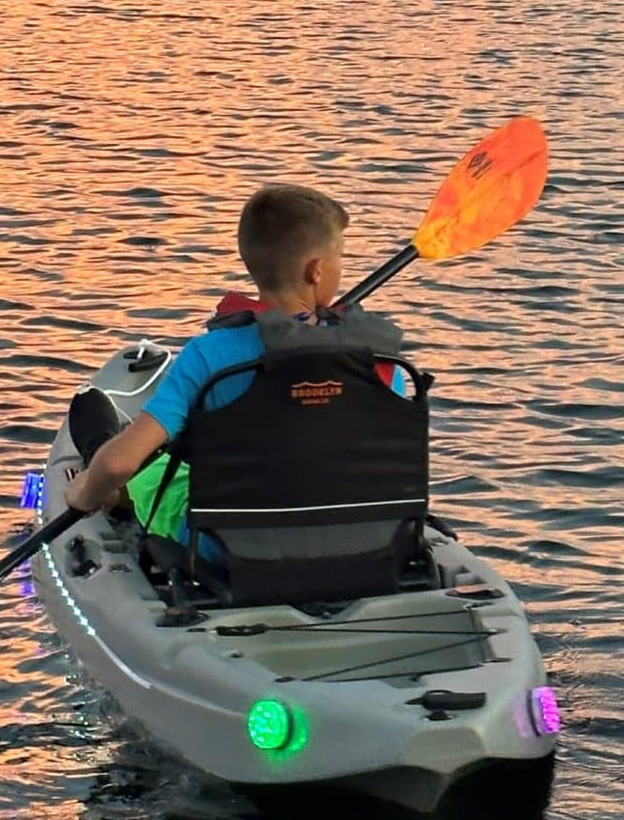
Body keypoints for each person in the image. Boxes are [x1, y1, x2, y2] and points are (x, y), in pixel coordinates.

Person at [61, 185, 417, 571]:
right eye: (339, 258)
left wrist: (84, 493)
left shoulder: (209, 356)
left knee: (152, 472)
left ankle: (112, 492)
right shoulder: (376, 357)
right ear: (316, 270)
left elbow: (119, 463)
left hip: (232, 550)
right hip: (367, 543)